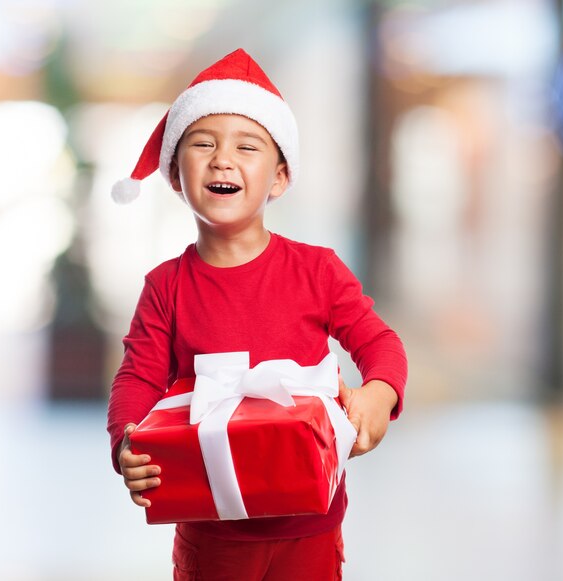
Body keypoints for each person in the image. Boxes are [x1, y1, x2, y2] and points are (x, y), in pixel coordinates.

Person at [107, 48, 407, 581]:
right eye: (203, 144)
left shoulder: (318, 270)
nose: (223, 159)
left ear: (279, 179)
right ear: (176, 175)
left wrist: (379, 394)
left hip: (312, 524)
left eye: (247, 146)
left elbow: (378, 341)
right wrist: (127, 442)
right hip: (209, 529)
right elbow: (138, 375)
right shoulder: (166, 286)